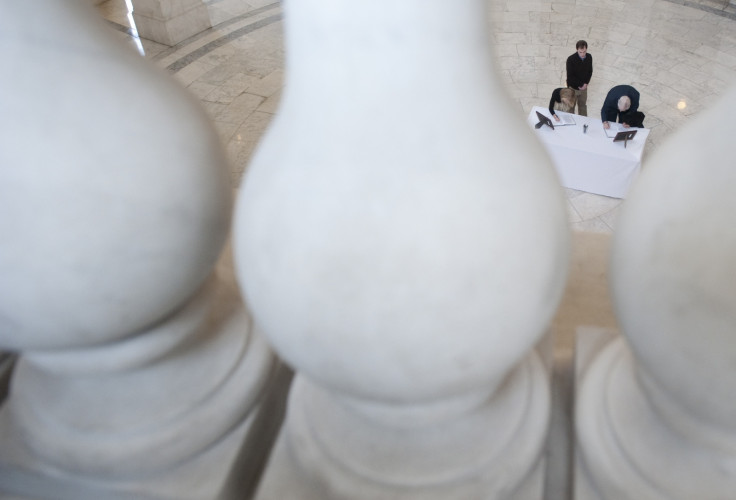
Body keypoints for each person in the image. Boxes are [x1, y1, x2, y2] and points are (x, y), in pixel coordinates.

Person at [566, 40, 593, 116]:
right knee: (571, 107)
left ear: (586, 49)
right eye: (580, 52)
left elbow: (590, 72)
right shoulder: (570, 59)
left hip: (584, 88)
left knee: (582, 106)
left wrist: (586, 84)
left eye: (584, 52)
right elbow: (570, 77)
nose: (582, 54)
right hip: (573, 88)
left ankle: (584, 122)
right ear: (577, 49)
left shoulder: (589, 57)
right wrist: (581, 84)